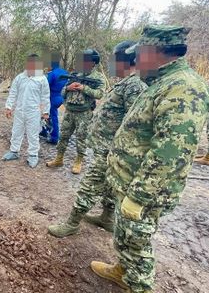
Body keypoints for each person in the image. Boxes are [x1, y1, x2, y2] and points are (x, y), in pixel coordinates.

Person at [90, 25, 209, 293]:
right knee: (125, 238)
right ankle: (122, 271)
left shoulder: (184, 88)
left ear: (155, 52)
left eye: (140, 54)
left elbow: (171, 150)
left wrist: (140, 196)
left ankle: (139, 285)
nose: (135, 61)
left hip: (144, 190)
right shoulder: (161, 82)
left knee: (137, 245)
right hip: (130, 181)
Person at [48, 40, 148, 238]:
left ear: (126, 60)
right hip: (108, 146)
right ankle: (107, 218)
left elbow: (134, 122)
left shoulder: (135, 85)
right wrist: (70, 89)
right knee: (110, 185)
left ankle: (72, 223)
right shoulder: (127, 82)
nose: (112, 63)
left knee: (89, 186)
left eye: (115, 59)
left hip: (112, 149)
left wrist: (83, 89)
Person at [46, 49, 106, 174]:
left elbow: (100, 94)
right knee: (63, 136)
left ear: (93, 62)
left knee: (81, 138)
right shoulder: (75, 74)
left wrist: (84, 88)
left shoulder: (98, 77)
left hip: (84, 113)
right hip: (69, 111)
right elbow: (62, 92)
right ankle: (59, 158)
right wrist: (68, 87)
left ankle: (78, 162)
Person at [2, 54, 50, 168]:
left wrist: (45, 112)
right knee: (16, 131)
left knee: (33, 134)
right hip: (20, 110)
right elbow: (13, 93)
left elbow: (45, 96)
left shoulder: (42, 79)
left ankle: (33, 155)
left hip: (33, 112)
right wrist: (9, 107)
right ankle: (14, 151)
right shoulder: (20, 77)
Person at [39, 55, 69, 144]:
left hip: (53, 97)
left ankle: (54, 137)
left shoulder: (52, 74)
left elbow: (45, 86)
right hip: (62, 96)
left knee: (52, 116)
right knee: (48, 115)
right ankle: (44, 131)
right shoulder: (65, 72)